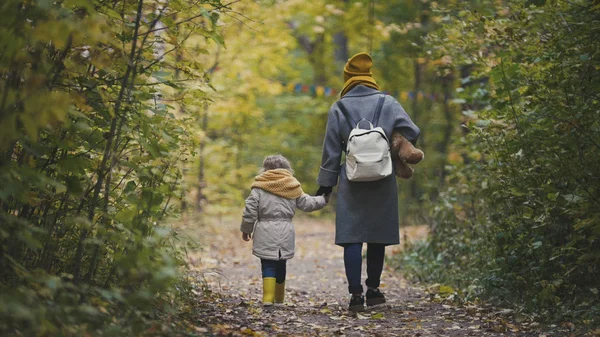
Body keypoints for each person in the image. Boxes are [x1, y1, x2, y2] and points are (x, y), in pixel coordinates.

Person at [316, 52, 421, 312]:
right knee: (377, 235)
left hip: (352, 179)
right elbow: (412, 131)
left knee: (352, 236)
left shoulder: (339, 107)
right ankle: (373, 290)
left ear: (348, 78)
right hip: (383, 178)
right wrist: (394, 142)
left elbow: (331, 150)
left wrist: (326, 185)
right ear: (370, 77)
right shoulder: (388, 102)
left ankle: (355, 296)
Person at [241, 154, 328, 307]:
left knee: (268, 264)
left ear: (265, 169)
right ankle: (279, 299)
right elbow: (307, 203)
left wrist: (246, 229)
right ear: (287, 169)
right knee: (282, 263)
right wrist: (322, 199)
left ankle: (267, 298)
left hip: (264, 230)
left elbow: (250, 210)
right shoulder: (292, 186)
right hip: (285, 230)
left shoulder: (259, 187)